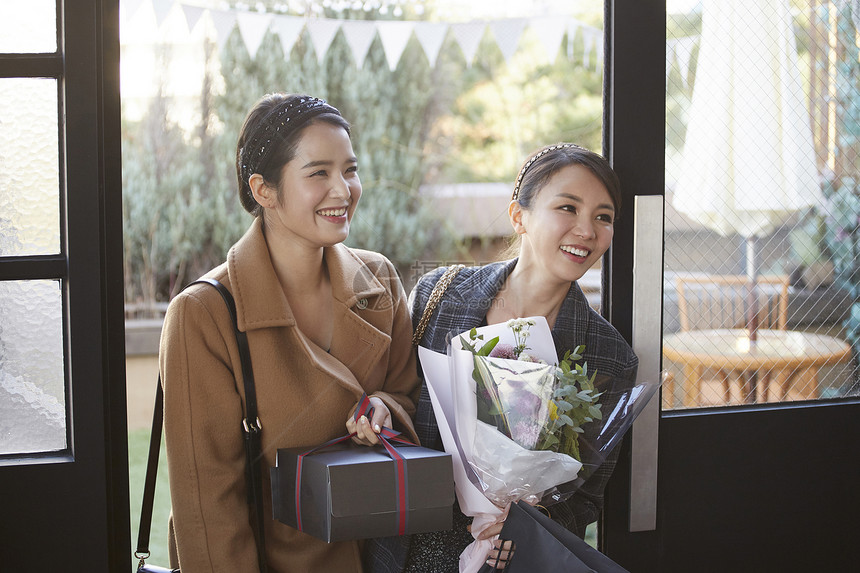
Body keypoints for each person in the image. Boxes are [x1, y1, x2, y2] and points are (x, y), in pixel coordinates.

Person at [158, 93, 421, 572]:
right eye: (318, 172)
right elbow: (208, 508)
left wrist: (385, 407)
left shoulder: (379, 281)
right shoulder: (204, 313)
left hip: (386, 557)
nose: (343, 190)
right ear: (264, 190)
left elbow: (411, 397)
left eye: (350, 169)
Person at [365, 143, 639, 572]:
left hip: (504, 557)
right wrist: (380, 407)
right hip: (408, 545)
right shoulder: (440, 295)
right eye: (568, 207)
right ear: (519, 216)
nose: (587, 230)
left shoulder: (609, 356)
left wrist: (528, 522)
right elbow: (399, 393)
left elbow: (586, 498)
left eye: (603, 217)